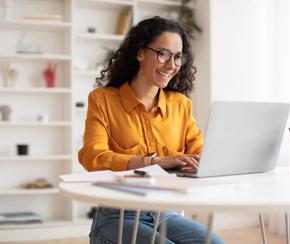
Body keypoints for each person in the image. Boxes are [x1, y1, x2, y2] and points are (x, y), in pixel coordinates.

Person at [78, 16, 224, 244]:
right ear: (140, 53)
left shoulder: (180, 104)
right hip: (116, 216)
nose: (172, 65)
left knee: (214, 242)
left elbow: (200, 152)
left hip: (164, 213)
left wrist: (217, 158)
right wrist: (152, 163)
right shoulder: (103, 100)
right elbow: (93, 157)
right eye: (163, 54)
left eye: (178, 57)